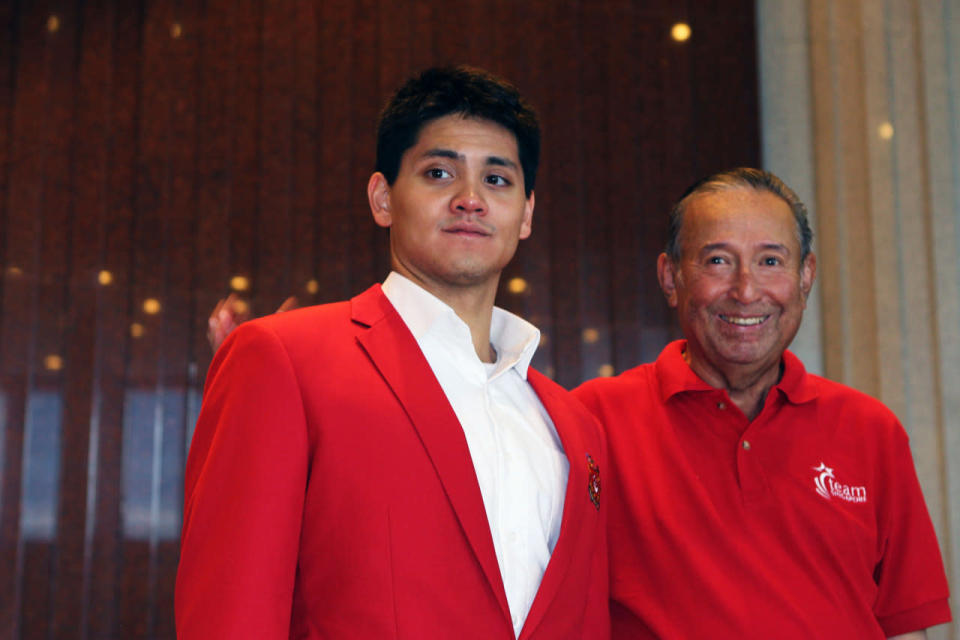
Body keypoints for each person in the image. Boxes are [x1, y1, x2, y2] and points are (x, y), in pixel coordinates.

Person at [176, 66, 609, 639]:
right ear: (383, 199)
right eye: (438, 172)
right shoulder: (283, 359)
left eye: (498, 180)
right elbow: (231, 616)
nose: (471, 199)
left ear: (526, 213)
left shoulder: (572, 424)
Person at [573, 168, 951, 639]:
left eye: (771, 261)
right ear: (671, 278)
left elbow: (904, 623)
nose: (746, 291)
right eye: (717, 261)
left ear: (805, 276)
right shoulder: (591, 419)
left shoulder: (870, 429)